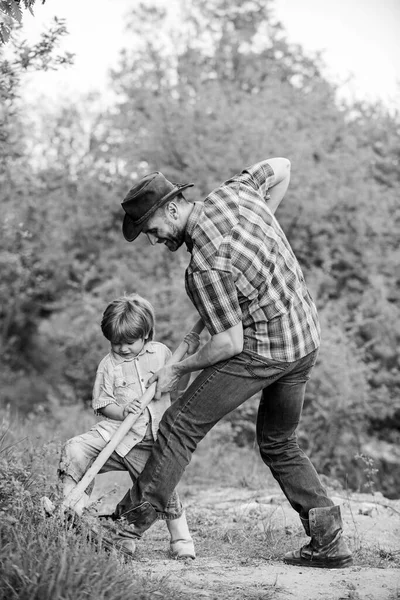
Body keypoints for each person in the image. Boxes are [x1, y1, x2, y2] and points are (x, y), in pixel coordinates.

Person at [107, 159, 353, 569]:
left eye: (151, 230)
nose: (153, 241)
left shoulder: (204, 266)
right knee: (278, 442)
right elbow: (282, 166)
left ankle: (123, 528)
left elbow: (228, 343)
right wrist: (259, 231)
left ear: (172, 208)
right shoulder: (235, 194)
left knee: (179, 424)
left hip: (267, 349)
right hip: (305, 335)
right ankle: (329, 541)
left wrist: (176, 370)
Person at [58, 293, 199, 559]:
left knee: (162, 489)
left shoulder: (162, 354)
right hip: (118, 435)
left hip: (154, 438)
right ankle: (71, 508)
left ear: (146, 334)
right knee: (75, 449)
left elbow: (177, 387)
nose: (122, 348)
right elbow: (101, 403)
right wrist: (122, 411)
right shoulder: (108, 365)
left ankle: (180, 539)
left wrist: (187, 361)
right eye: (115, 343)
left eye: (129, 342)